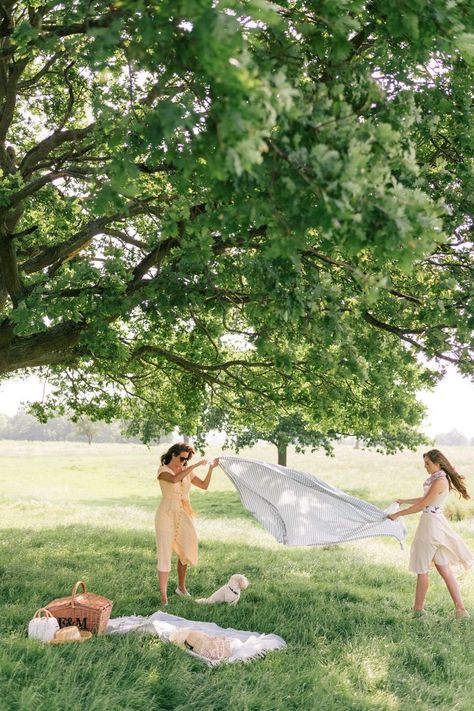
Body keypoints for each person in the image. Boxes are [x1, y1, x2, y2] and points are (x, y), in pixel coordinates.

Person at [388, 449, 474, 619]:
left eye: (428, 463)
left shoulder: (440, 481)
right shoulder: (438, 479)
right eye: (424, 463)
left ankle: (418, 611)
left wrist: (398, 514)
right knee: (443, 569)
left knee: (422, 569)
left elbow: (423, 505)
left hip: (430, 527)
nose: (425, 467)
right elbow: (424, 499)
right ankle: (461, 611)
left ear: (438, 463)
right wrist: (404, 501)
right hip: (435, 525)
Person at [155, 442, 219, 605]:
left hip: (184, 514)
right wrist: (195, 465)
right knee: (164, 554)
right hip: (166, 514)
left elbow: (204, 486)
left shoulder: (186, 471)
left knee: (187, 548)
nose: (184, 462)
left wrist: (210, 469)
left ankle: (181, 587)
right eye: (182, 458)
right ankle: (164, 597)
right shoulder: (163, 471)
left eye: (187, 459)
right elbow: (175, 479)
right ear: (173, 455)